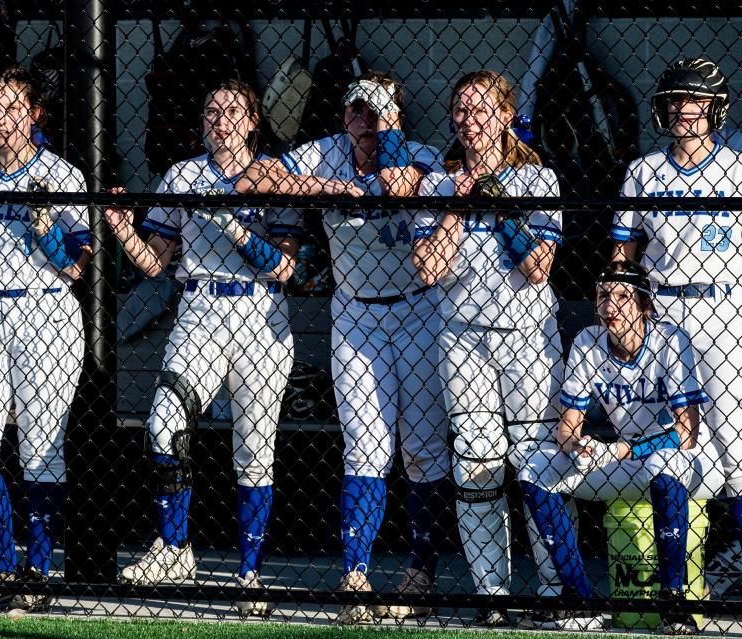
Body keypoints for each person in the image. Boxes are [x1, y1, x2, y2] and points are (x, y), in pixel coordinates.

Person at [236, 71, 450, 624]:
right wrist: (324, 187)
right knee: (365, 445)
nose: (365, 120)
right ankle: (356, 575)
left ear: (397, 116)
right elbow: (251, 181)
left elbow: (406, 183)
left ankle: (420, 571)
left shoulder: (424, 154)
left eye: (378, 112)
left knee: (422, 446)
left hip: (418, 308)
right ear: (343, 116)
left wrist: (381, 170)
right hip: (356, 311)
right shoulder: (326, 154)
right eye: (357, 109)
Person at [110, 79, 302, 618]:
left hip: (260, 316)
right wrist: (124, 231)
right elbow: (154, 262)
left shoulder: (274, 175)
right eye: (211, 111)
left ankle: (249, 575)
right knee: (164, 422)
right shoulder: (184, 174)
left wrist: (235, 229)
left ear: (252, 120)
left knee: (253, 452)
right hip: (200, 308)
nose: (220, 120)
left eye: (232, 111)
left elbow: (286, 266)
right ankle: (174, 548)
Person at [412, 70, 566, 627]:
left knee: (536, 460)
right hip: (463, 338)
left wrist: (500, 208)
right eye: (460, 111)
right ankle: (492, 592)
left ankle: (553, 587)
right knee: (476, 462)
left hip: (527, 336)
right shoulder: (437, 184)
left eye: (481, 110)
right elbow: (429, 269)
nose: (468, 121)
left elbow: (539, 269)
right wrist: (458, 202)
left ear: (505, 115)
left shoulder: (538, 181)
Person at [520, 261, 724, 634]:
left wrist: (622, 451)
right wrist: (580, 446)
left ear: (645, 305)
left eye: (622, 297)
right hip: (625, 458)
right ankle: (580, 599)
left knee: (664, 463)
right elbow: (566, 430)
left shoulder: (670, 339)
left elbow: (687, 433)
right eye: (602, 296)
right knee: (535, 468)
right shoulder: (587, 341)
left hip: (690, 462)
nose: (609, 307)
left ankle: (673, 602)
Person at [0, 66, 91, 612]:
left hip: (46, 314)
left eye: (13, 108)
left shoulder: (61, 174)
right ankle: (2, 570)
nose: (1, 118)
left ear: (34, 113)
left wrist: (44, 229)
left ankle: (36, 572)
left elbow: (75, 267)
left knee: (40, 451)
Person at [610, 58, 742, 598]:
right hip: (662, 309)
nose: (682, 108)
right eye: (673, 99)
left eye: (694, 99)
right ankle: (678, 567)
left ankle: (735, 549)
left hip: (722, 307)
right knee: (668, 435)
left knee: (733, 438)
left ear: (714, 107)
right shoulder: (644, 169)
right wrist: (623, 300)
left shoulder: (736, 168)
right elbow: (623, 251)